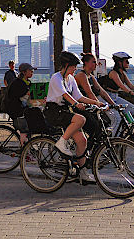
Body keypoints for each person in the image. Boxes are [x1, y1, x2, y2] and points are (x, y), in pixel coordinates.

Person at [44, 51, 107, 182]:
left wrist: (96, 103)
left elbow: (79, 96)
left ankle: (83, 173)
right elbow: (66, 96)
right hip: (54, 112)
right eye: (73, 66)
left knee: (82, 140)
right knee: (81, 119)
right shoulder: (56, 78)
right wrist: (76, 104)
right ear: (66, 65)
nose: (75, 69)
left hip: (65, 111)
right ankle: (61, 143)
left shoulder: (70, 79)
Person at [75, 53, 120, 135]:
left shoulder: (91, 76)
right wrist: (99, 104)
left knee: (111, 119)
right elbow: (90, 93)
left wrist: (113, 104)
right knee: (113, 119)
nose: (96, 64)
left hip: (91, 105)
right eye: (94, 62)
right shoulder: (81, 75)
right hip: (83, 106)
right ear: (86, 63)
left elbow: (102, 91)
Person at [2, 63, 36, 144]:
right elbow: (17, 96)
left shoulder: (27, 82)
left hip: (21, 108)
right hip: (16, 110)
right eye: (30, 70)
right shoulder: (18, 83)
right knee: (23, 129)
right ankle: (25, 150)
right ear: (24, 72)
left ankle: (27, 146)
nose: (32, 72)